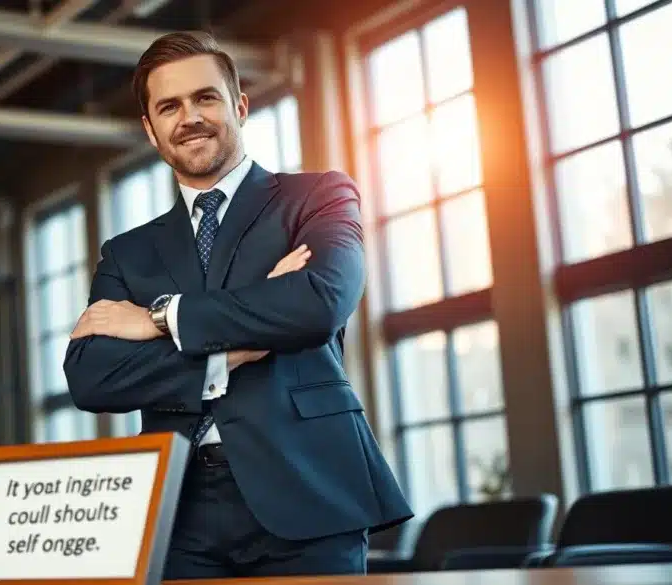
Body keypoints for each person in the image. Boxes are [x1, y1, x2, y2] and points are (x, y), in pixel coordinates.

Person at [63, 30, 412, 579]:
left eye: (205, 98)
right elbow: (92, 377)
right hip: (177, 509)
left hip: (308, 488)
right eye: (169, 107)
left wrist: (162, 318)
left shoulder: (315, 198)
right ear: (150, 130)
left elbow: (318, 303)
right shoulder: (127, 253)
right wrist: (233, 351)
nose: (190, 118)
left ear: (240, 106)